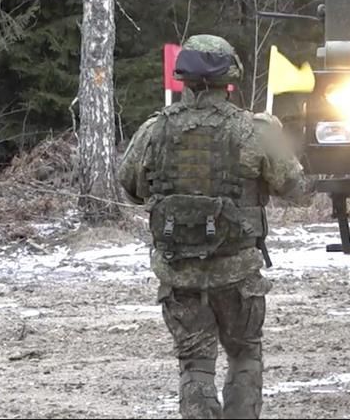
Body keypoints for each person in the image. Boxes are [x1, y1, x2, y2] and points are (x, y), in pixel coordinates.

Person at [119, 35, 312, 419]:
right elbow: (296, 188)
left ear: (183, 78)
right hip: (238, 273)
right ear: (231, 78)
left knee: (194, 363)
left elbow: (131, 188)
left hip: (179, 273)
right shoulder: (255, 130)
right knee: (243, 354)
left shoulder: (154, 130)